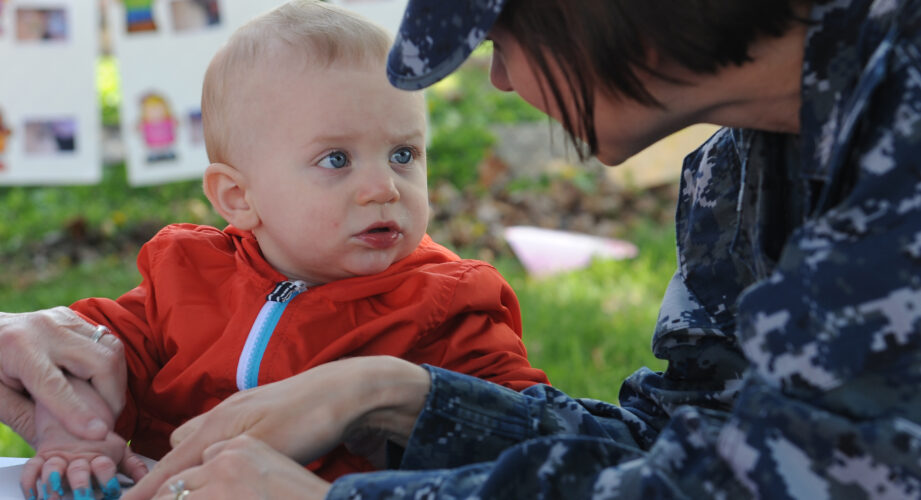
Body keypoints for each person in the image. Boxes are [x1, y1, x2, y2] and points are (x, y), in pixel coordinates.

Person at [116, 0, 921, 498]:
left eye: (500, 31)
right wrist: (385, 391)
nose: (497, 78)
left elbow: (781, 482)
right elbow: (681, 440)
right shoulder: (741, 165)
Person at [16, 1, 548, 497]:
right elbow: (90, 360)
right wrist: (76, 438)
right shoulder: (186, 278)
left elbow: (529, 432)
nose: (384, 186)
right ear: (239, 197)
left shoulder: (451, 305)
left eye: (403, 153)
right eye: (336, 160)